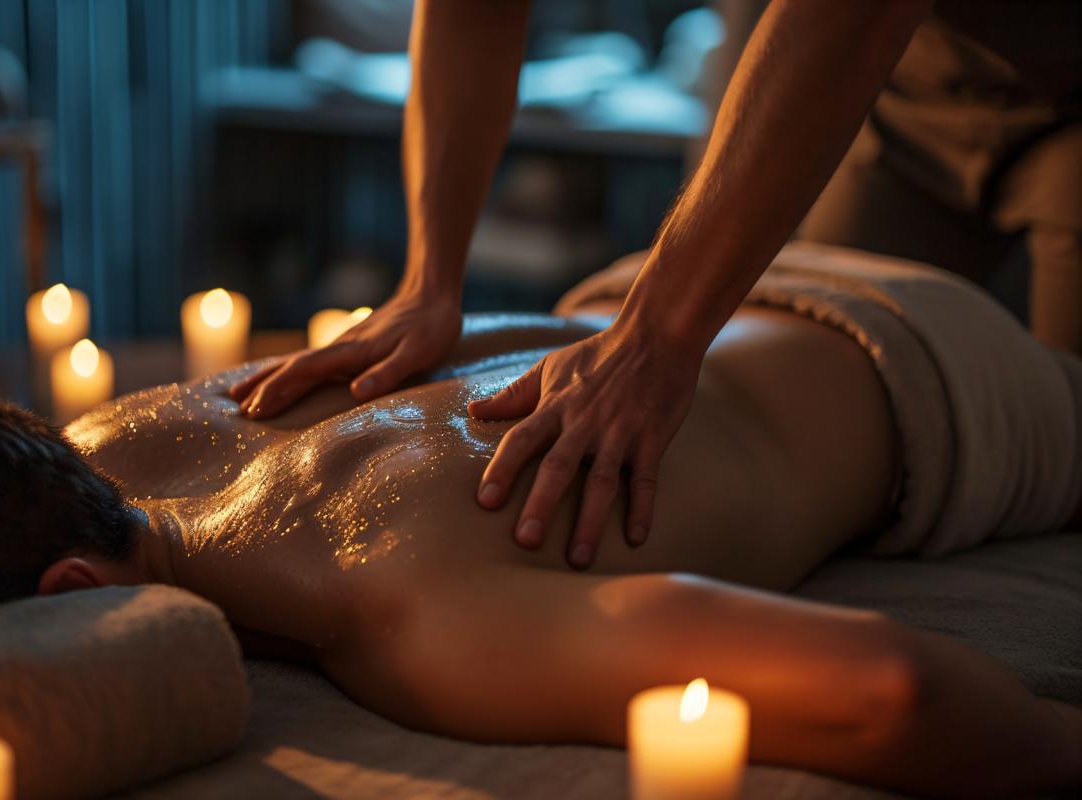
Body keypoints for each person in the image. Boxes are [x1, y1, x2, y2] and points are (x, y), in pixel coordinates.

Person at [0, 247, 1081, 798]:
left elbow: (890, 690)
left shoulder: (409, 612)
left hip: (945, 377)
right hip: (668, 277)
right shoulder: (94, 437)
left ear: (73, 600)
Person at [232, 0, 1082, 569]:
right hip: (897, 90)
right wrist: (429, 281)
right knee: (834, 397)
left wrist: (658, 332)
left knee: (1066, 457)